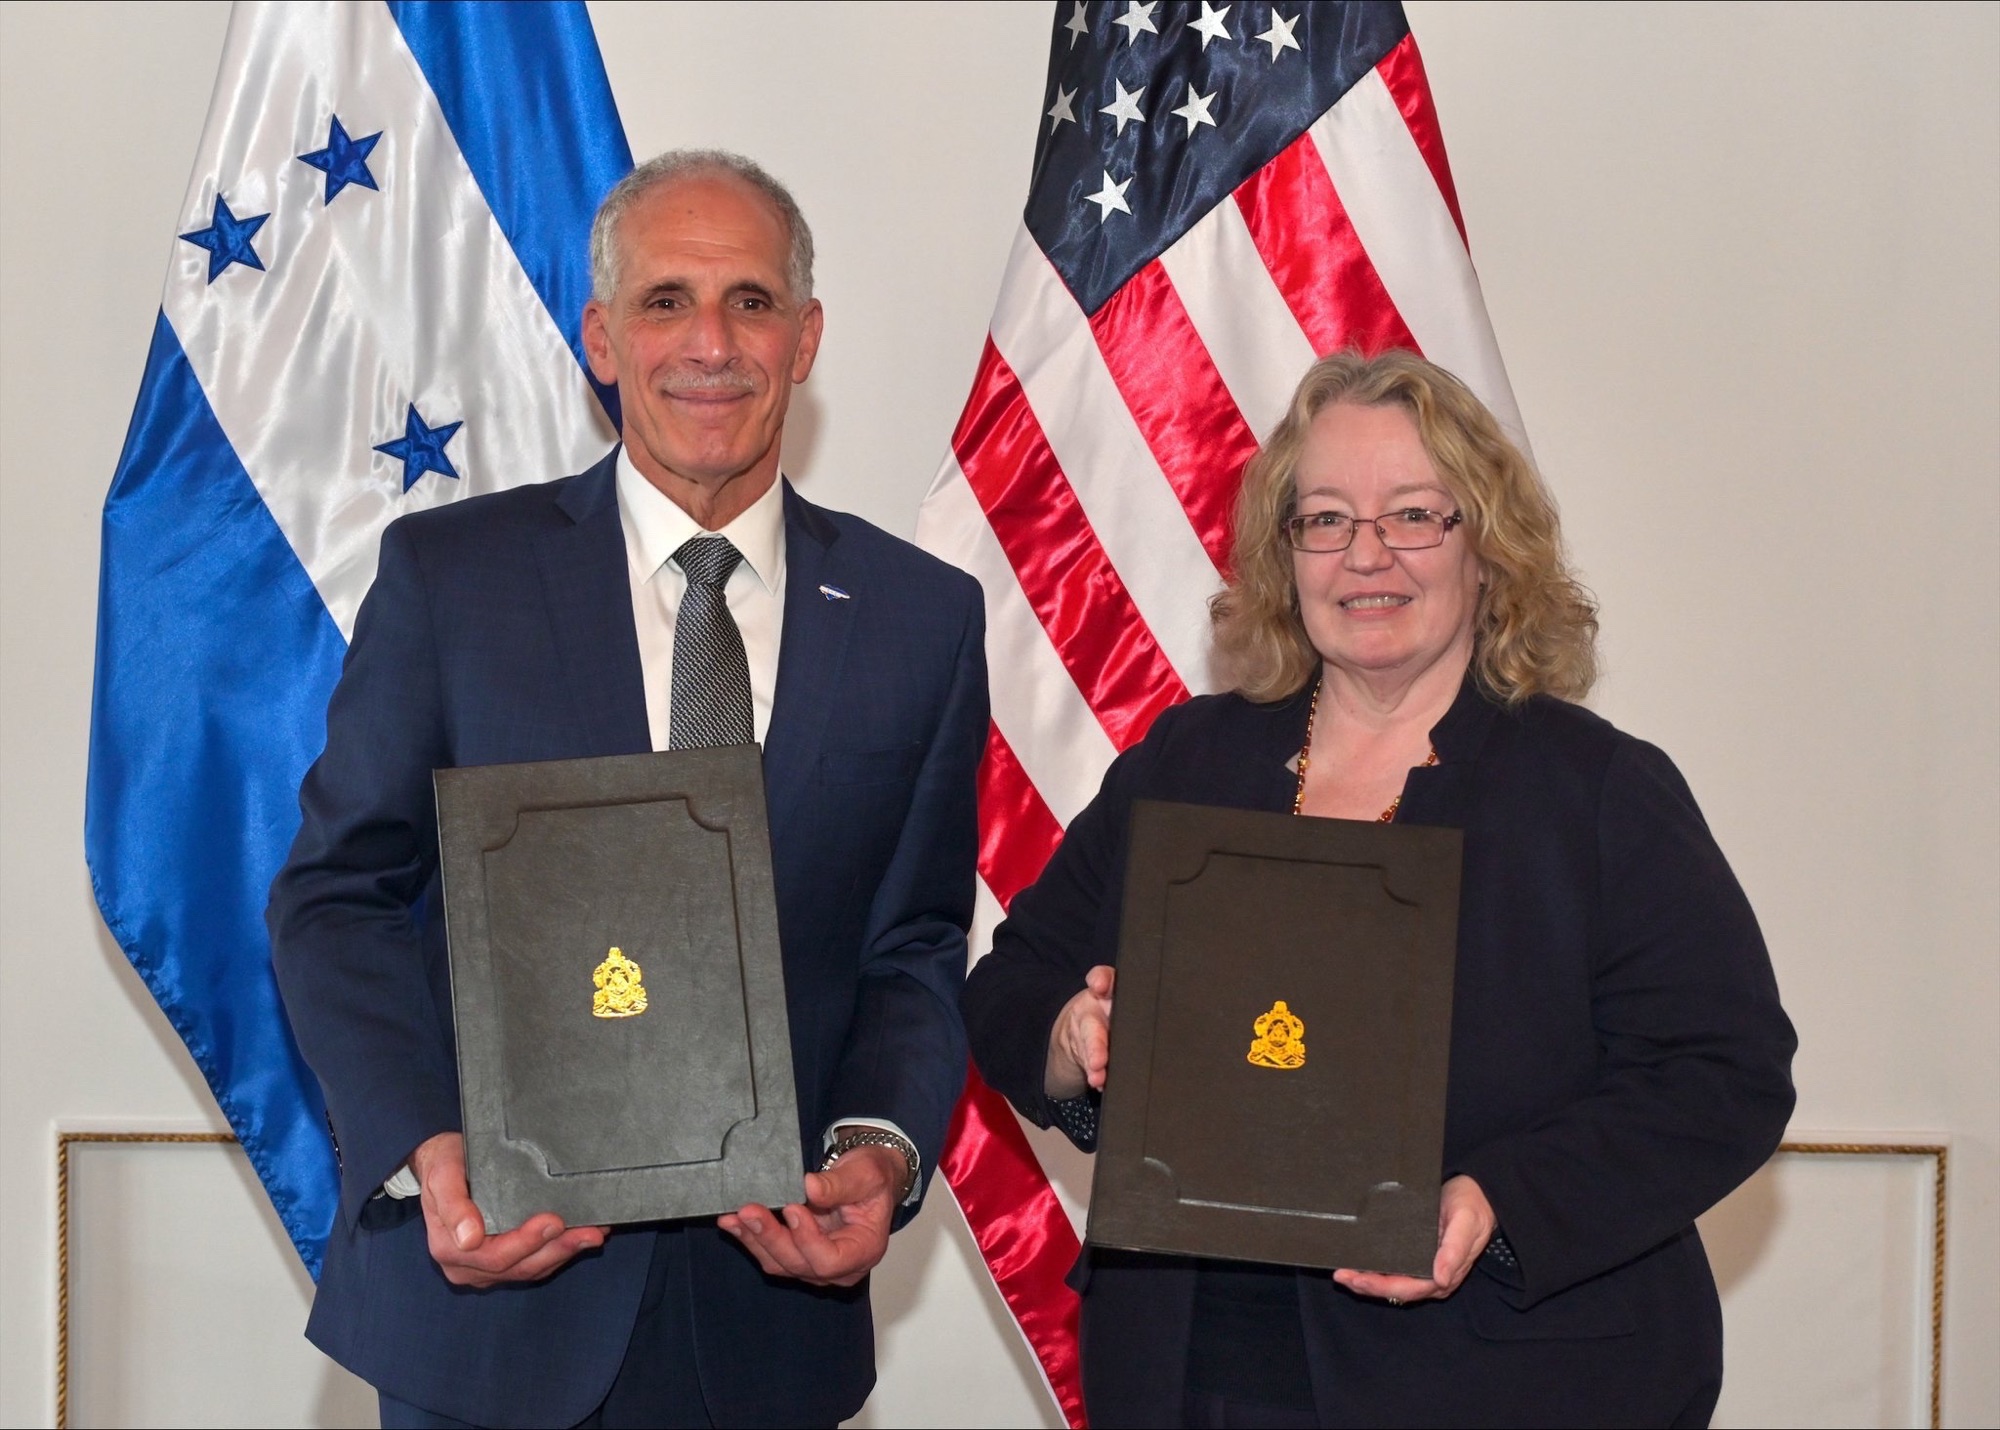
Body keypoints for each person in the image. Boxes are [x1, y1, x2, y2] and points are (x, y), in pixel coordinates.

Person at [269, 150, 986, 1429]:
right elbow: (338, 896)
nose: (710, 343)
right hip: (488, 1312)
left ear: (805, 336)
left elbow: (914, 942)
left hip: (768, 1329)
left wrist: (876, 1147)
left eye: (750, 301)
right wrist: (427, 1148)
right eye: (666, 301)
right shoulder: (452, 579)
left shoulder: (919, 618)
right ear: (601, 337)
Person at [961, 349, 1797, 1428]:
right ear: (1285, 553)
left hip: (1505, 1378)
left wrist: (1499, 1203)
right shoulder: (1189, 761)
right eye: (1325, 520)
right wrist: (1073, 1033)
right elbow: (1011, 985)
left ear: (1485, 545)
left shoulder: (1597, 791)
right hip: (1192, 1372)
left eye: (1412, 515)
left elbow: (1723, 1073)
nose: (1366, 555)